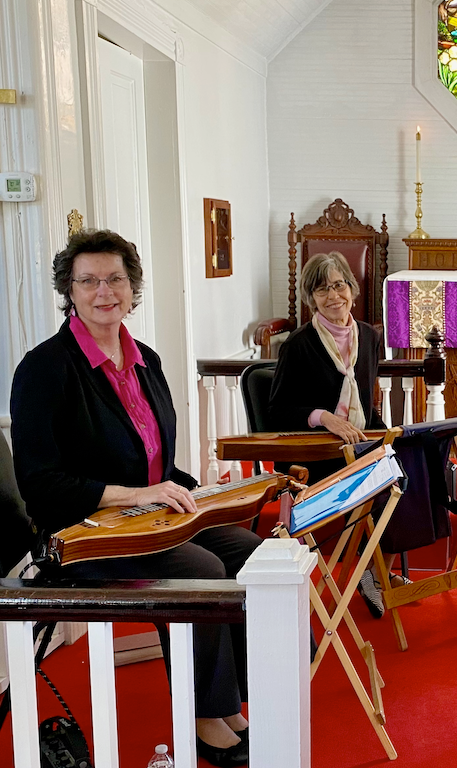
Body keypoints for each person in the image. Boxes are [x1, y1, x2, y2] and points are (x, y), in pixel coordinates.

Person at [11, 229, 258, 768]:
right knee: (202, 568)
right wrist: (139, 493)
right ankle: (202, 717)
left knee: (249, 550)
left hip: (147, 515)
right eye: (89, 280)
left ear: (132, 286)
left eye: (116, 278)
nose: (105, 291)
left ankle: (234, 699)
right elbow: (41, 483)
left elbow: (158, 464)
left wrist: (202, 492)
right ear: (69, 291)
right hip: (80, 535)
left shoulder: (144, 358)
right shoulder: (43, 369)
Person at [268, 252, 389, 615]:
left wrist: (391, 435)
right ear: (311, 299)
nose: (334, 296)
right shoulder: (298, 345)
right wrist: (324, 418)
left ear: (351, 289)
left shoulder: (368, 336)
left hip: (357, 444)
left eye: (339, 285)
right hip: (315, 455)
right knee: (377, 484)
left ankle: (378, 569)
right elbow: (277, 411)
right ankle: (369, 570)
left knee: (403, 471)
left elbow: (367, 406)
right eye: (322, 290)